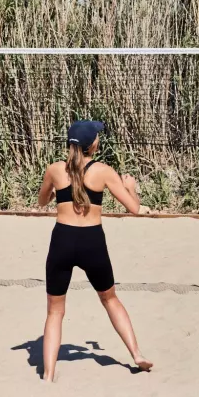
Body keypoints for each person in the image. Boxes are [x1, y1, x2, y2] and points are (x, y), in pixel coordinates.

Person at [35, 121, 152, 381]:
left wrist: (54, 194)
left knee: (55, 311)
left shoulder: (55, 169)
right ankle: (137, 355)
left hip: (63, 240)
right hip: (92, 241)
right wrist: (131, 188)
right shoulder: (103, 171)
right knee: (110, 299)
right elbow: (134, 208)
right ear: (94, 145)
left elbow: (42, 201)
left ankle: (49, 374)